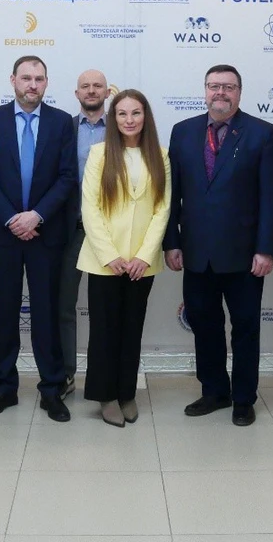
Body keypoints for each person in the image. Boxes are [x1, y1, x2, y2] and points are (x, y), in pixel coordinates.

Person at [164, 64, 273, 426]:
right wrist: (172, 242)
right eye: (214, 86)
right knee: (205, 326)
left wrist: (267, 249)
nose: (221, 92)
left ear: (239, 92)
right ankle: (214, 391)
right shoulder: (182, 131)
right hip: (197, 253)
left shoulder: (262, 133)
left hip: (245, 256)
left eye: (228, 87)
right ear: (204, 90)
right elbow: (171, 195)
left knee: (245, 328)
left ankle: (244, 398)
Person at [0, 56, 78, 421]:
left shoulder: (61, 122)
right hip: (4, 234)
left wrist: (37, 215)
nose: (32, 85)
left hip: (46, 233)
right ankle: (4, 388)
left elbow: (67, 177)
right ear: (13, 80)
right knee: (6, 312)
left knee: (46, 313)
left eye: (39, 78)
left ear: (46, 83)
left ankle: (52, 388)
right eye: (26, 78)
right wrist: (12, 218)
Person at [78, 89, 171, 427]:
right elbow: (90, 208)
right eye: (122, 114)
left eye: (136, 113)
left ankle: (126, 391)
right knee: (105, 330)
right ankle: (105, 395)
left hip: (141, 264)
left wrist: (144, 256)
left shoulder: (161, 155)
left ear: (146, 117)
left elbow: (162, 209)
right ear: (113, 118)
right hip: (105, 260)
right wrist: (110, 255)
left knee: (132, 328)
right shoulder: (99, 153)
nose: (129, 120)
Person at [60, 69, 109, 397]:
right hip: (71, 231)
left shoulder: (121, 127)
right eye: (85, 86)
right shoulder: (63, 128)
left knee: (106, 310)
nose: (91, 91)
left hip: (110, 234)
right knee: (64, 306)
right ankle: (66, 375)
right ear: (77, 93)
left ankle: (104, 380)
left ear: (107, 92)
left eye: (97, 86)